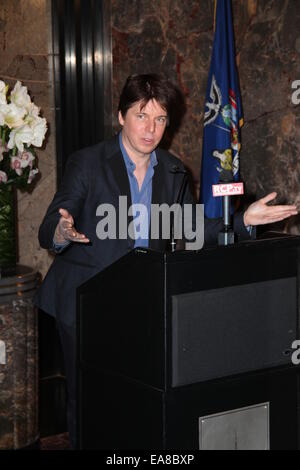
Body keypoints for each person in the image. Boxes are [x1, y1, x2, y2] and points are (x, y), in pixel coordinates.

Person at [34, 74, 298, 448]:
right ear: (121, 116)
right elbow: (48, 228)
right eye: (142, 116)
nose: (150, 129)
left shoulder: (173, 170)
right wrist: (62, 232)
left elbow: (192, 231)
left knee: (132, 398)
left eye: (160, 120)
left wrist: (243, 221)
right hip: (84, 302)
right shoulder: (88, 163)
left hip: (140, 301)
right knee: (89, 400)